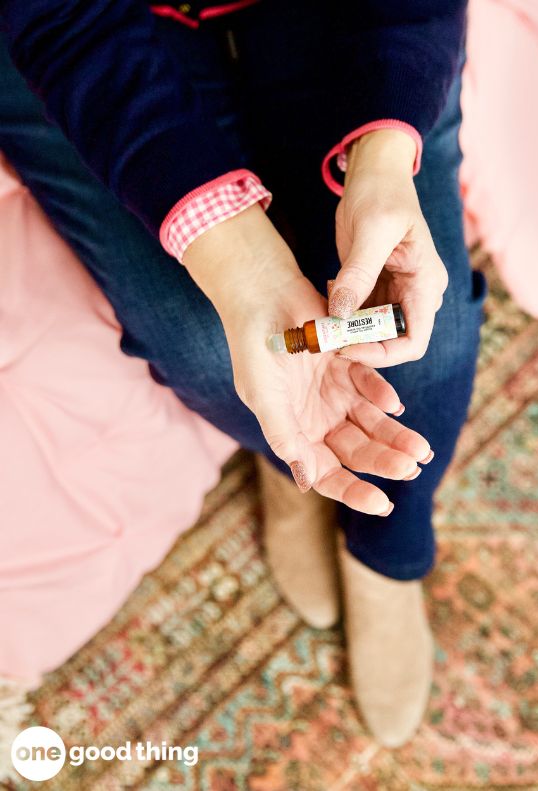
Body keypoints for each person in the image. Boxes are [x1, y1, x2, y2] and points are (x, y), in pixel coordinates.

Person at [0, 0, 486, 747]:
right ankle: (285, 459)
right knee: (201, 338)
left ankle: (390, 550)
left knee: (435, 332)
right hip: (73, 29)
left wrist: (383, 154)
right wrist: (236, 261)